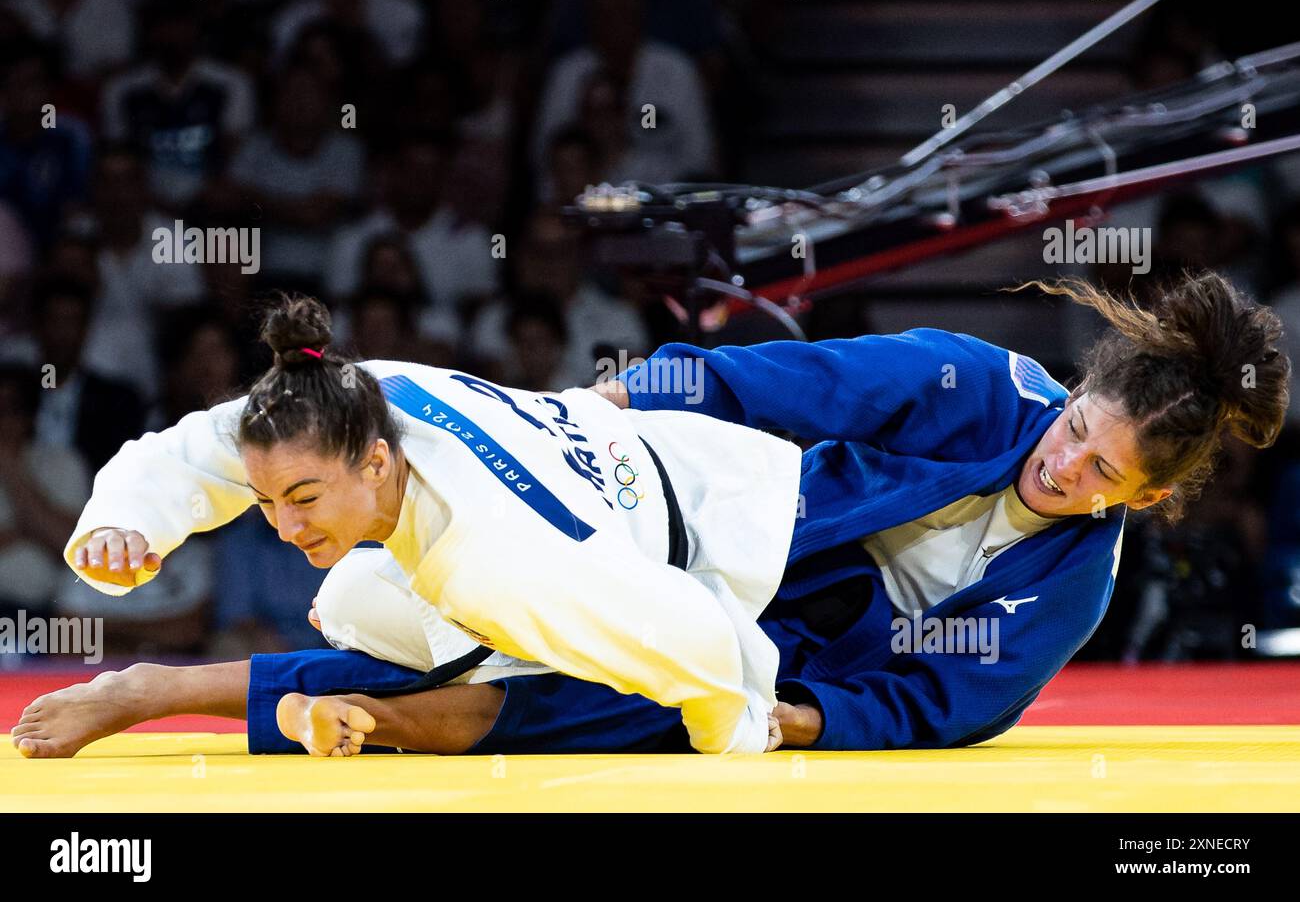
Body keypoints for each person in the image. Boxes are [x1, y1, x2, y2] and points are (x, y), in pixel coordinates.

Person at [15, 271, 1287, 757]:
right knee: (482, 600)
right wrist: (623, 396)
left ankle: (190, 692)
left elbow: (951, 704)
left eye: (1102, 473)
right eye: (1074, 427)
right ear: (1071, 389)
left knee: (557, 701)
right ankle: (159, 687)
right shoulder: (970, 379)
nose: (1064, 465)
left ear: (1146, 495)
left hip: (810, 644)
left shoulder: (1074, 581)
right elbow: (778, 378)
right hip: (739, 516)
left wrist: (794, 717)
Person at [13, 294, 801, 758]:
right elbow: (208, 444)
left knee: (492, 700)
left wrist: (732, 728)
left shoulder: (489, 548)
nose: (284, 527)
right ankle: (176, 691)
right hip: (557, 530)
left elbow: (684, 633)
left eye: (304, 500)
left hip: (626, 534)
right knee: (390, 628)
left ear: (378, 463)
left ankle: (159, 690)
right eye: (269, 503)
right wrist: (125, 522)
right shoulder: (338, 404)